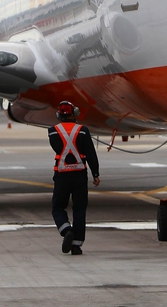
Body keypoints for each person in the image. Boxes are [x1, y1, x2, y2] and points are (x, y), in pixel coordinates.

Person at [48, 100, 100, 255]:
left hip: (62, 175)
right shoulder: (83, 130)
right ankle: (76, 245)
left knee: (58, 207)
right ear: (75, 113)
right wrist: (95, 173)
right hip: (80, 175)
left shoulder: (52, 131)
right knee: (79, 209)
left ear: (58, 115)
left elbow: (57, 147)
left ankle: (66, 230)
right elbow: (91, 153)